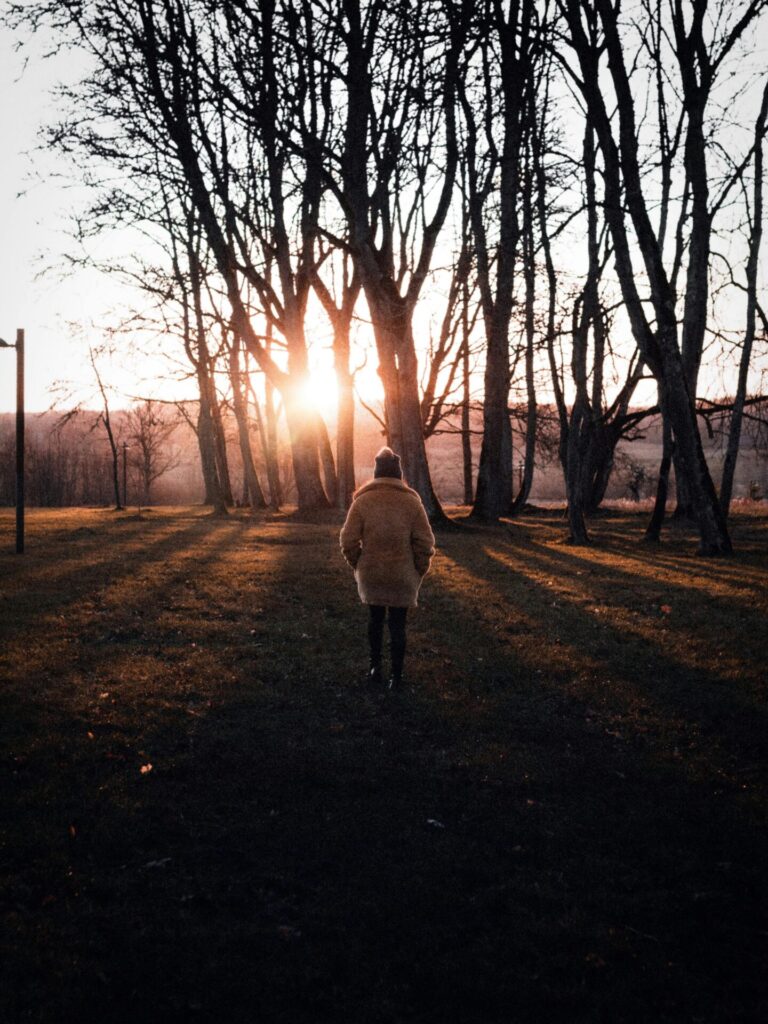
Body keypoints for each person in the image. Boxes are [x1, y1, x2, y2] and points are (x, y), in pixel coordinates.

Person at [340, 447, 435, 689]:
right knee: (398, 625)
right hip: (402, 576)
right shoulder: (412, 503)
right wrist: (417, 571)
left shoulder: (362, 501)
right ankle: (397, 675)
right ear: (398, 474)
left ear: (376, 473)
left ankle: (375, 668)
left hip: (371, 574)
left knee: (375, 620)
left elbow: (348, 540)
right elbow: (425, 543)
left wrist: (358, 564)